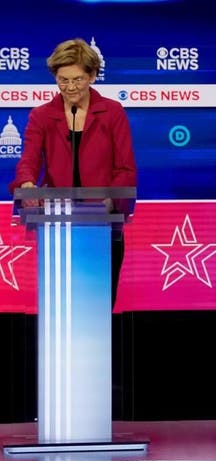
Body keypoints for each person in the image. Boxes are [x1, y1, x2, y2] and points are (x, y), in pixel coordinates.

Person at [9, 38, 137, 305]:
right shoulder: (41, 116)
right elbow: (28, 161)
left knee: (97, 304)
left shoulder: (112, 112)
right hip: (57, 221)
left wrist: (111, 200)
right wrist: (28, 182)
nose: (70, 87)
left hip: (104, 223)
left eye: (77, 79)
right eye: (63, 80)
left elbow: (125, 168)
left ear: (91, 76)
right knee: (62, 303)